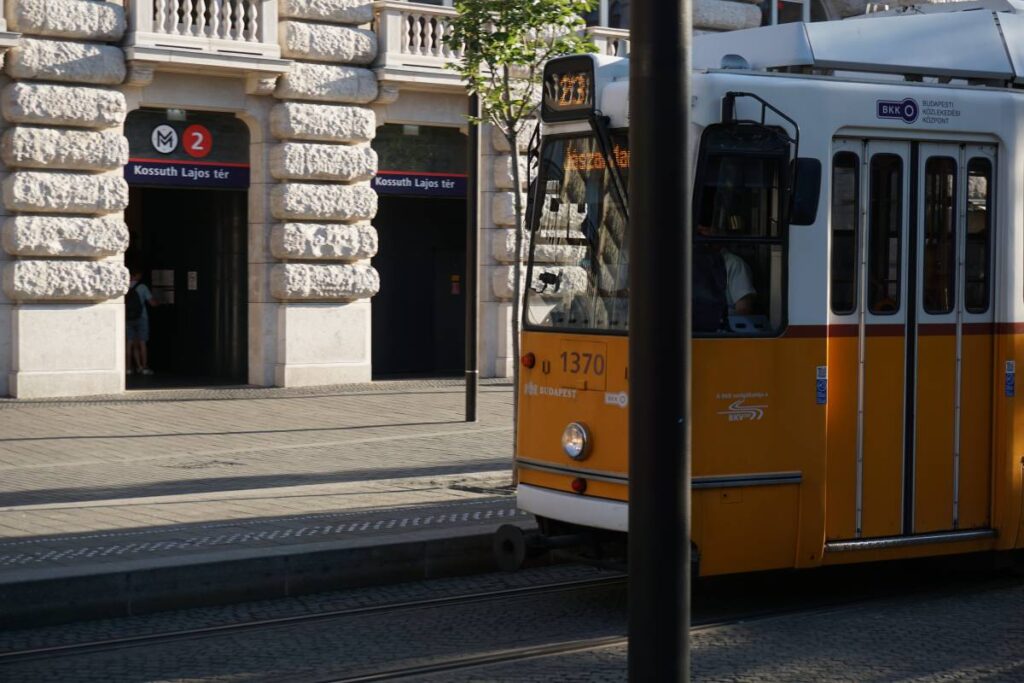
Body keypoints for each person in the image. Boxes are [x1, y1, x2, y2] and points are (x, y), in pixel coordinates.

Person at [696, 223, 756, 316]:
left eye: (706, 232)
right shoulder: (688, 264)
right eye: (699, 233)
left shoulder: (734, 264)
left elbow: (744, 309)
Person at [125, 270, 158, 376]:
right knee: (142, 343)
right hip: (141, 318)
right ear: (136, 274)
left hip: (127, 318)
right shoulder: (142, 287)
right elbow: (152, 303)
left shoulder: (124, 286)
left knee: (130, 343)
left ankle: (128, 368)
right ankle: (143, 367)